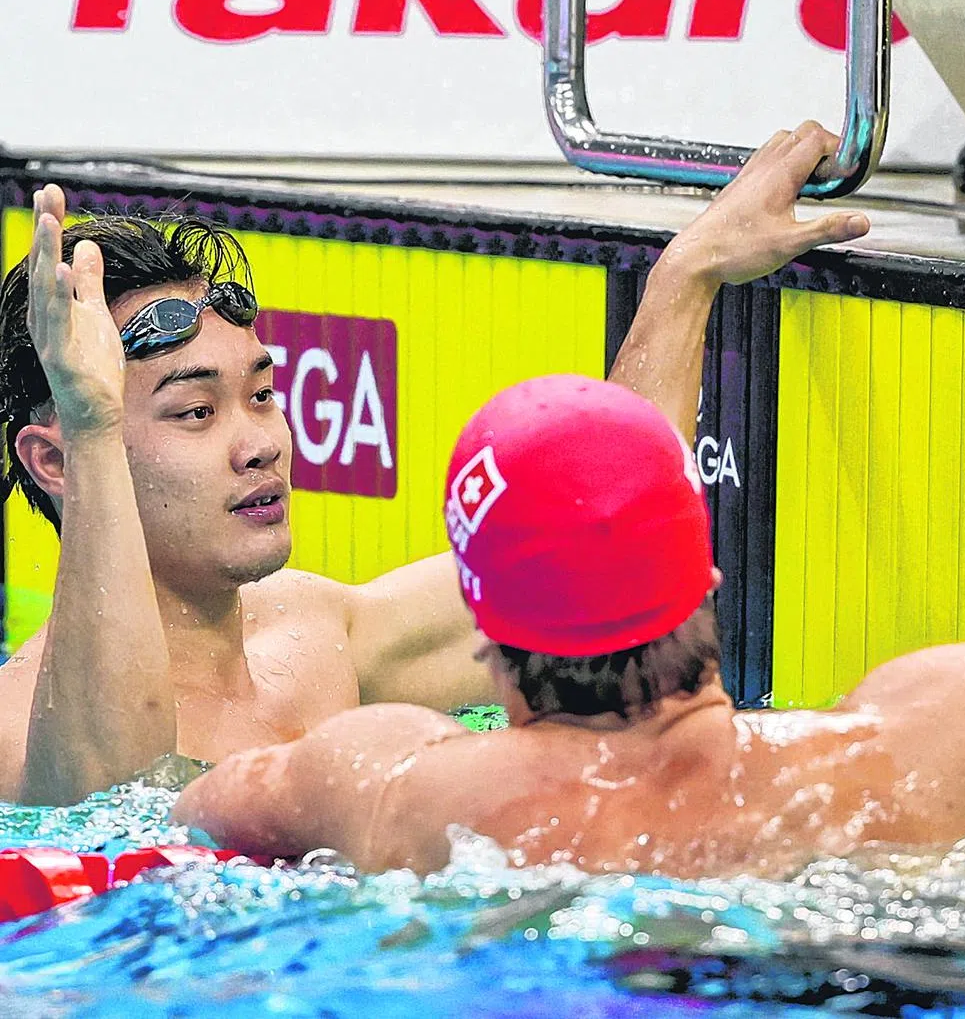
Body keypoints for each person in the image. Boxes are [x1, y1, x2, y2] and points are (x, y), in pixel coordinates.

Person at [0, 122, 869, 806]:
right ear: (58, 462)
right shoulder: (17, 726)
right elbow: (102, 800)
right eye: (196, 412)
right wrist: (93, 419)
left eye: (262, 395)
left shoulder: (315, 635)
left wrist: (686, 276)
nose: (258, 442)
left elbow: (584, 553)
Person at [175, 364, 965, 879]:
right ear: (707, 576)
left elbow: (186, 815)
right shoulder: (928, 746)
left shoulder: (388, 787)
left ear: (484, 627)